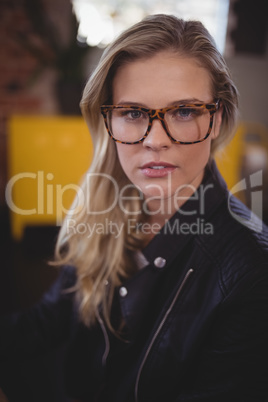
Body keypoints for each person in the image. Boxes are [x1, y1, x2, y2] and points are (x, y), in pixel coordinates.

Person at [1, 13, 268, 402]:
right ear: (108, 120)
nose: (155, 140)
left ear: (218, 118)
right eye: (133, 113)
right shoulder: (103, 212)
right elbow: (46, 322)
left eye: (184, 111)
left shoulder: (251, 274)